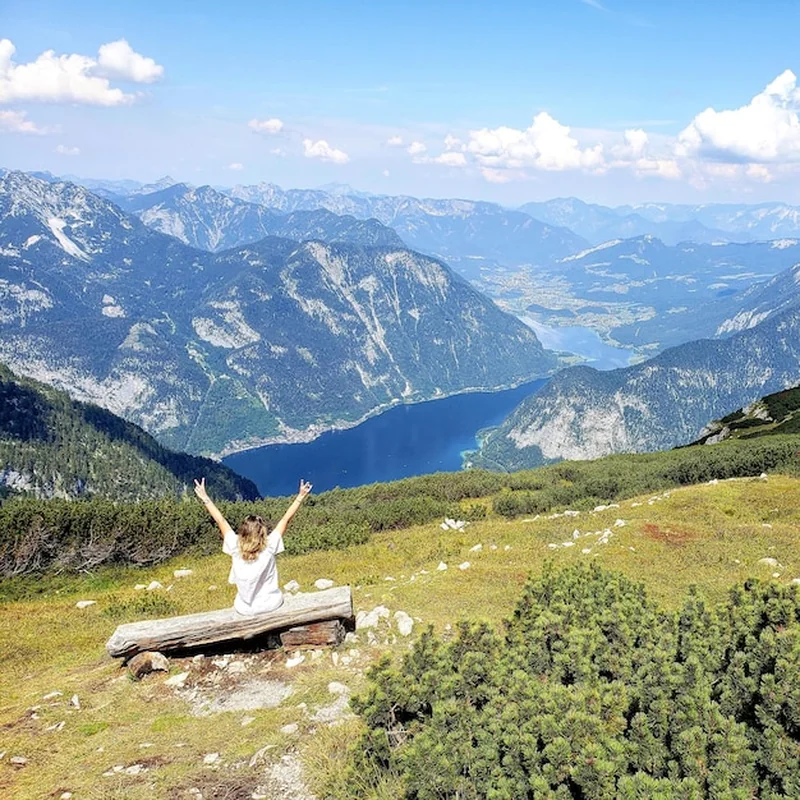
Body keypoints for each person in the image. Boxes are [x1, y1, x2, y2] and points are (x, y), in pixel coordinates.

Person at [193, 477, 313, 616]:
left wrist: (205, 497)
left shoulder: (234, 545)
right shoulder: (270, 545)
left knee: (238, 601)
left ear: (242, 531)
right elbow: (286, 519)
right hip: (270, 604)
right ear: (262, 532)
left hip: (245, 608)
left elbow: (220, 520)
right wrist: (300, 496)